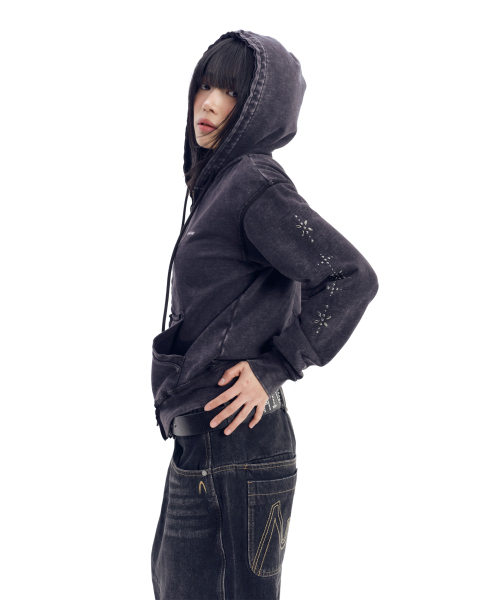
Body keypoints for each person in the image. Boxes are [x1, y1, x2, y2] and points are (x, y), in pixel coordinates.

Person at [150, 29, 379, 600]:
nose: (208, 102)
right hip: (204, 445)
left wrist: (276, 366)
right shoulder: (219, 187)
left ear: (260, 107)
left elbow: (350, 277)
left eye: (231, 91)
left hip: (239, 449)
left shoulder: (253, 184)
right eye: (205, 84)